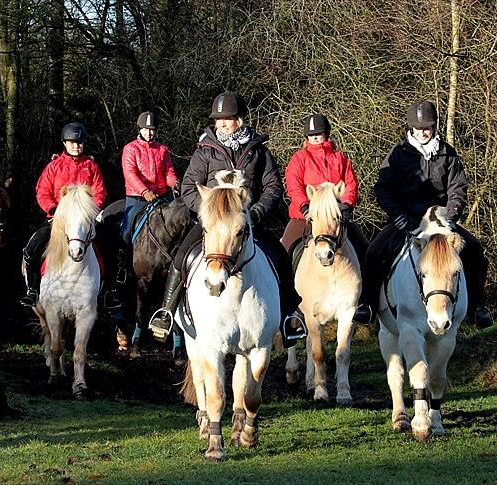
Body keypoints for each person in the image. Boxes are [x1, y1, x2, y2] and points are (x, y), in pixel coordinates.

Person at [148, 91, 306, 345]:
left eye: (228, 118)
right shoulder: (205, 151)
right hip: (211, 224)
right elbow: (189, 186)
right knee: (182, 256)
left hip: (248, 224)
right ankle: (166, 311)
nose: (222, 122)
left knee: (280, 258)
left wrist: (254, 213)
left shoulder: (258, 151)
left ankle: (289, 317)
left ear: (239, 119)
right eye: (218, 119)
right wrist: (211, 212)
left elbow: (273, 187)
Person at [362, 100, 492, 328]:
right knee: (374, 251)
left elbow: (458, 187)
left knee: (475, 251)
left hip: (441, 222)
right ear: (411, 128)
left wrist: (451, 214)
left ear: (434, 128)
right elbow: (383, 187)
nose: (423, 132)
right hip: (407, 220)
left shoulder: (447, 154)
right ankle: (368, 305)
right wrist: (397, 214)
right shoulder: (398, 153)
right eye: (418, 128)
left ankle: (478, 306)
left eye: (427, 128)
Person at [280, 113, 372, 324]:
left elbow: (350, 183)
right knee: (285, 251)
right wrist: (304, 207)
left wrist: (347, 206)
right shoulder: (299, 159)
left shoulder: (340, 159)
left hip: (336, 219)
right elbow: (293, 184)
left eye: (318, 135)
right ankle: (289, 307)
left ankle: (364, 303)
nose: (315, 138)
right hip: (305, 218)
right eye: (311, 135)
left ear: (326, 135)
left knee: (364, 248)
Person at [20, 122, 109, 307]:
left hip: (85, 221)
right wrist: (53, 209)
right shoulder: (54, 167)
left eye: (80, 143)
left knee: (111, 245)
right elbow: (42, 191)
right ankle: (33, 289)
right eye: (72, 142)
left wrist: (90, 210)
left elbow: (100, 192)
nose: (77, 146)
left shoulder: (91, 166)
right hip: (58, 220)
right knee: (33, 246)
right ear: (65, 144)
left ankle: (109, 291)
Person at [121, 111, 179, 244]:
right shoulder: (130, 149)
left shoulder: (162, 149)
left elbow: (168, 171)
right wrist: (145, 191)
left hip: (161, 196)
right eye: (145, 129)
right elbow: (130, 173)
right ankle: (122, 256)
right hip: (138, 197)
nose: (149, 133)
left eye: (152, 130)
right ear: (140, 129)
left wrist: (173, 182)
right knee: (126, 230)